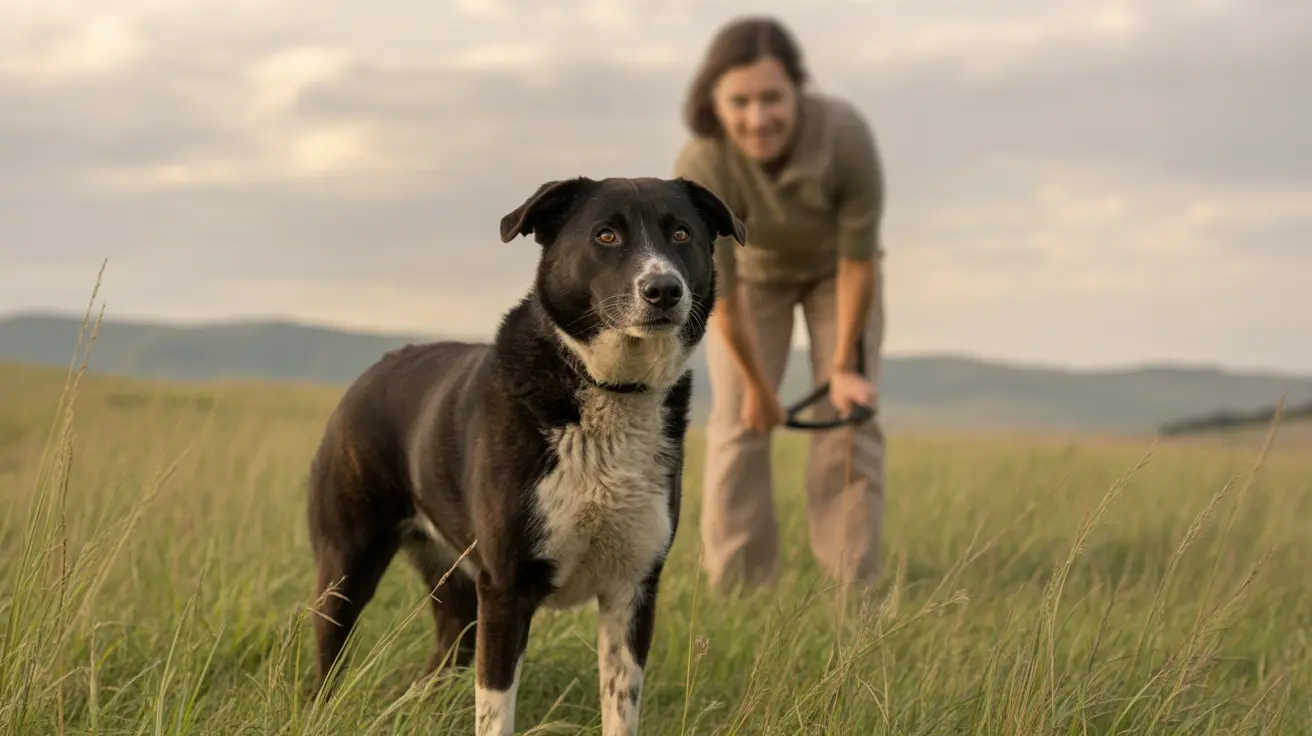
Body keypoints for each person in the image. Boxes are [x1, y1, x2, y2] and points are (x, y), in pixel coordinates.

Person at [672, 16, 888, 592]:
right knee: (739, 424)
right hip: (752, 282)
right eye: (739, 101)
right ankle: (738, 591)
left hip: (834, 277)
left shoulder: (844, 135)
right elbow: (722, 293)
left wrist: (843, 368)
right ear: (714, 100)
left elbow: (859, 262)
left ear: (797, 89)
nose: (757, 117)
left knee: (849, 423)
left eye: (772, 97)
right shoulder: (702, 164)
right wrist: (762, 393)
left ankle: (854, 597)